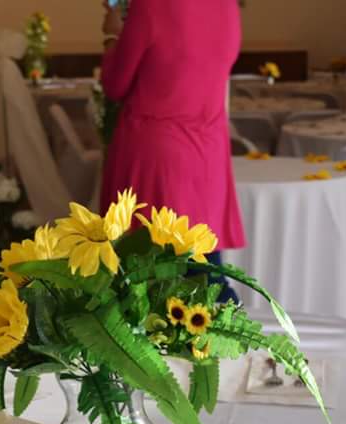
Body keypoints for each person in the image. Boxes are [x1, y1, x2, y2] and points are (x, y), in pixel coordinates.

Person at [99, 0, 244, 302]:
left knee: (143, 281)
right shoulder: (227, 6)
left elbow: (115, 84)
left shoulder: (151, 6)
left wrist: (113, 35)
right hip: (207, 153)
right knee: (206, 275)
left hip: (156, 153)